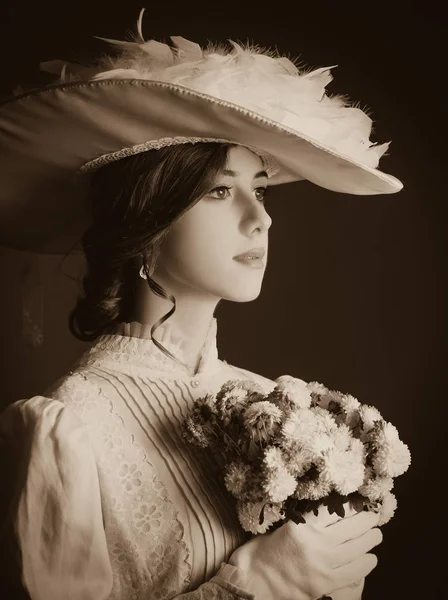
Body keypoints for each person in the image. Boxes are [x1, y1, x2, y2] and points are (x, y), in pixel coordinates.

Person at [0, 8, 402, 600]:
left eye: (259, 189)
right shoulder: (71, 428)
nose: (260, 218)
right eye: (219, 191)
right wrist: (257, 585)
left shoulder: (272, 403)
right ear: (146, 224)